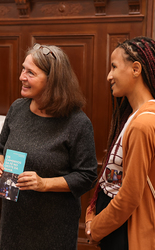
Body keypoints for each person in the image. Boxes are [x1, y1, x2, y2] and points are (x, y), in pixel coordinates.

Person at [0, 43, 98, 250]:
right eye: (23, 69)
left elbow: (87, 176)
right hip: (14, 218)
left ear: (53, 80)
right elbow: (0, 148)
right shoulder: (17, 108)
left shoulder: (77, 122)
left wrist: (44, 184)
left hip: (53, 223)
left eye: (30, 72)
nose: (22, 76)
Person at [85, 37, 155, 250]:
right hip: (115, 225)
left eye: (114, 67)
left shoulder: (143, 123)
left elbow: (130, 195)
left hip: (126, 231)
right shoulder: (134, 117)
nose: (109, 76)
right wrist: (92, 212)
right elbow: (114, 174)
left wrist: (96, 227)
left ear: (136, 69)